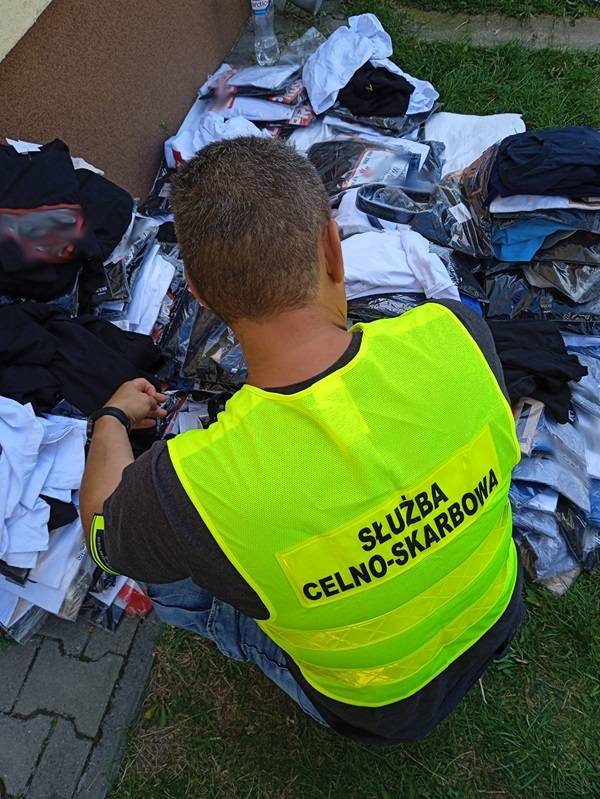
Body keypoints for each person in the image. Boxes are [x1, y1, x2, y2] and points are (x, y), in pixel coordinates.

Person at [80, 137, 524, 744]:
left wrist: (110, 417)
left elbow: (103, 538)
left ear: (198, 292)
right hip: (496, 615)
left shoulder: (191, 487)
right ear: (334, 249)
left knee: (161, 558)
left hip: (379, 708)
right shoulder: (457, 333)